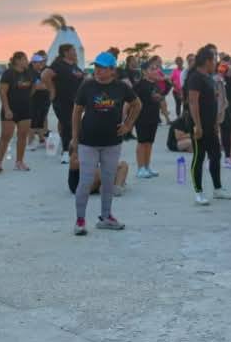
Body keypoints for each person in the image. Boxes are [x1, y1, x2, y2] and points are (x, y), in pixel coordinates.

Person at [70, 52, 141, 235]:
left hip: (112, 142)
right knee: (85, 181)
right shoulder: (87, 86)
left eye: (102, 67)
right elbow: (76, 112)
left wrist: (128, 125)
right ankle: (80, 220)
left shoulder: (121, 87)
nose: (98, 70)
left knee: (108, 181)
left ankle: (106, 217)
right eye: (96, 66)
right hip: (88, 142)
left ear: (112, 70)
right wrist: (75, 138)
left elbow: (137, 104)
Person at [186, 47, 231, 205]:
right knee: (199, 157)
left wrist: (215, 124)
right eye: (214, 60)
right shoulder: (195, 78)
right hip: (198, 125)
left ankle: (218, 189)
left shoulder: (208, 78)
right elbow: (193, 102)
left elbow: (212, 102)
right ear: (207, 61)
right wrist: (198, 126)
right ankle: (198, 192)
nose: (216, 63)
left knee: (215, 155)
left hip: (210, 124)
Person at [43, 43, 86, 185]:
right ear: (66, 52)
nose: (75, 52)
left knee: (74, 125)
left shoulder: (74, 65)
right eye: (73, 50)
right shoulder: (58, 64)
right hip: (62, 101)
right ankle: (66, 152)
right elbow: (45, 75)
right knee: (68, 124)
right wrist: (52, 90)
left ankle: (73, 149)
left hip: (76, 101)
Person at [0, 52, 34, 173]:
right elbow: (2, 92)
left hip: (25, 109)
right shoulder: (8, 73)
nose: (27, 61)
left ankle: (19, 162)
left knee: (22, 136)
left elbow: (32, 88)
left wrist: (26, 100)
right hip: (10, 109)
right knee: (5, 136)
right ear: (17, 61)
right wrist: (7, 109)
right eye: (24, 59)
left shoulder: (29, 73)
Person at [134, 58, 169, 178]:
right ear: (144, 71)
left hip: (153, 117)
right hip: (142, 118)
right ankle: (140, 168)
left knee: (149, 143)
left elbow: (161, 97)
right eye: (152, 69)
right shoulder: (139, 85)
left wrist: (166, 82)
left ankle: (147, 166)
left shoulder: (155, 84)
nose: (155, 71)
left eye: (156, 69)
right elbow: (131, 102)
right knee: (142, 142)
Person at [29, 52, 51, 143]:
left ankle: (41, 138)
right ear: (34, 63)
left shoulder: (42, 71)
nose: (42, 63)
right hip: (35, 100)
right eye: (40, 62)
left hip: (44, 99)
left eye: (44, 61)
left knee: (41, 120)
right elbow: (38, 86)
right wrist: (49, 86)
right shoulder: (31, 72)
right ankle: (30, 141)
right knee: (33, 122)